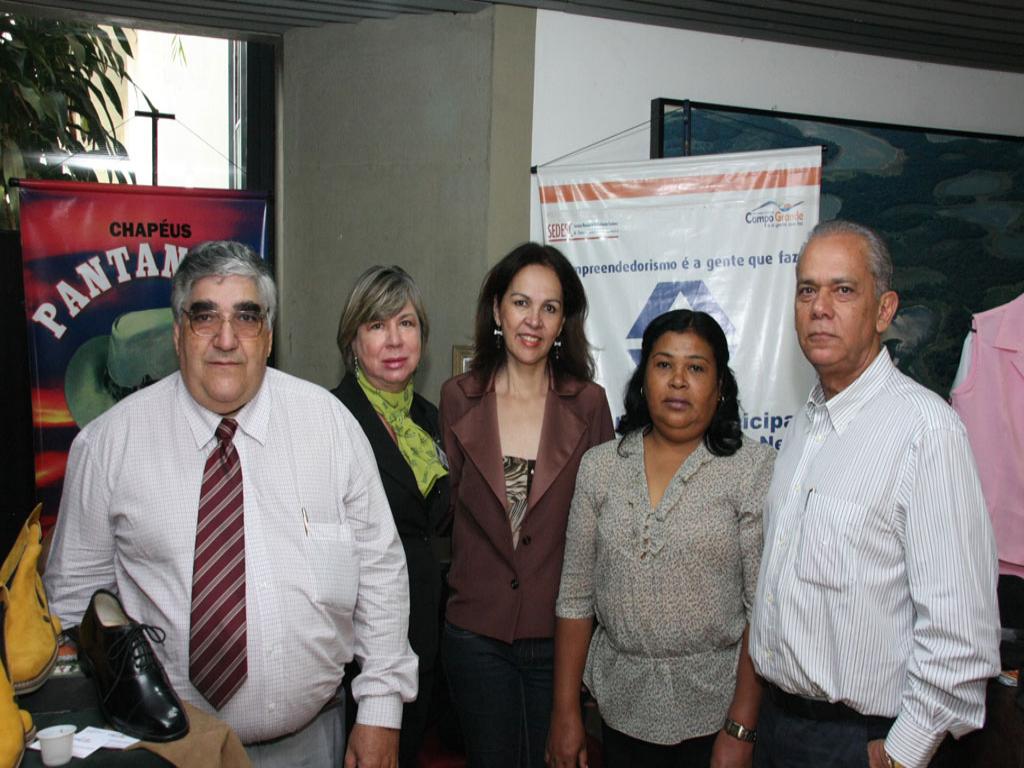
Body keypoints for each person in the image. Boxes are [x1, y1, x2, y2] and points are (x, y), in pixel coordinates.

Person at [44, 241, 417, 768]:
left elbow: (380, 571)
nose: (226, 339)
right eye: (205, 317)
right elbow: (73, 605)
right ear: (178, 334)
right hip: (164, 751)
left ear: (268, 336)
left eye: (246, 317)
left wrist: (380, 711)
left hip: (314, 744)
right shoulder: (108, 447)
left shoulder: (330, 426)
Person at [749, 220, 1000, 768]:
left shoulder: (926, 433)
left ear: (885, 311)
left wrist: (902, 753)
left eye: (843, 290)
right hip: (779, 727)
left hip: (861, 742)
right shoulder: (806, 425)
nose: (819, 308)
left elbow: (962, 636)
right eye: (807, 290)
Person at [548, 309, 775, 768]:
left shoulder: (752, 469)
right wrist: (565, 710)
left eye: (696, 368)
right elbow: (575, 599)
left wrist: (741, 727)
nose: (677, 381)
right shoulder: (600, 467)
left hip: (717, 713)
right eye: (663, 364)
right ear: (643, 378)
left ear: (720, 386)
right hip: (617, 709)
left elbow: (762, 611)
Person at [439, 242, 614, 768]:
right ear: (497, 310)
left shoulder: (589, 403)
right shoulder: (457, 397)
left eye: (549, 307)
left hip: (559, 637)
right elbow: (451, 511)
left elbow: (602, 524)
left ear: (563, 322)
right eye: (521, 303)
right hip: (476, 634)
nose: (533, 320)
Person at [332, 265, 449, 767]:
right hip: (360, 649)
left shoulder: (431, 419)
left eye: (407, 323)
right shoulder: (331, 419)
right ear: (353, 341)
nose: (395, 340)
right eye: (377, 325)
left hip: (425, 636)